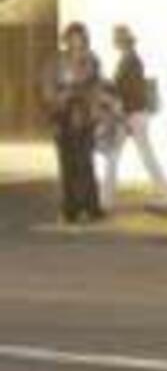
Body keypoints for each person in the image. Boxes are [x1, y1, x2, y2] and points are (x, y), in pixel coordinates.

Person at [97, 24, 167, 211]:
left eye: (117, 38)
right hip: (133, 114)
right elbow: (126, 87)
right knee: (120, 155)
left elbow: (129, 89)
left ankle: (107, 200)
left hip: (131, 115)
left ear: (123, 41)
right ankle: (106, 199)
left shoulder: (130, 61)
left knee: (126, 155)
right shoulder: (129, 59)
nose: (114, 41)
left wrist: (116, 102)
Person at [45, 22, 108, 224]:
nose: (77, 43)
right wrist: (58, 98)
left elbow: (97, 87)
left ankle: (91, 207)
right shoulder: (56, 62)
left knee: (85, 163)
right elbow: (47, 89)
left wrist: (98, 112)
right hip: (63, 116)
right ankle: (70, 208)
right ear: (67, 40)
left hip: (85, 116)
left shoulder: (92, 61)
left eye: (80, 39)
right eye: (72, 39)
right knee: (67, 164)